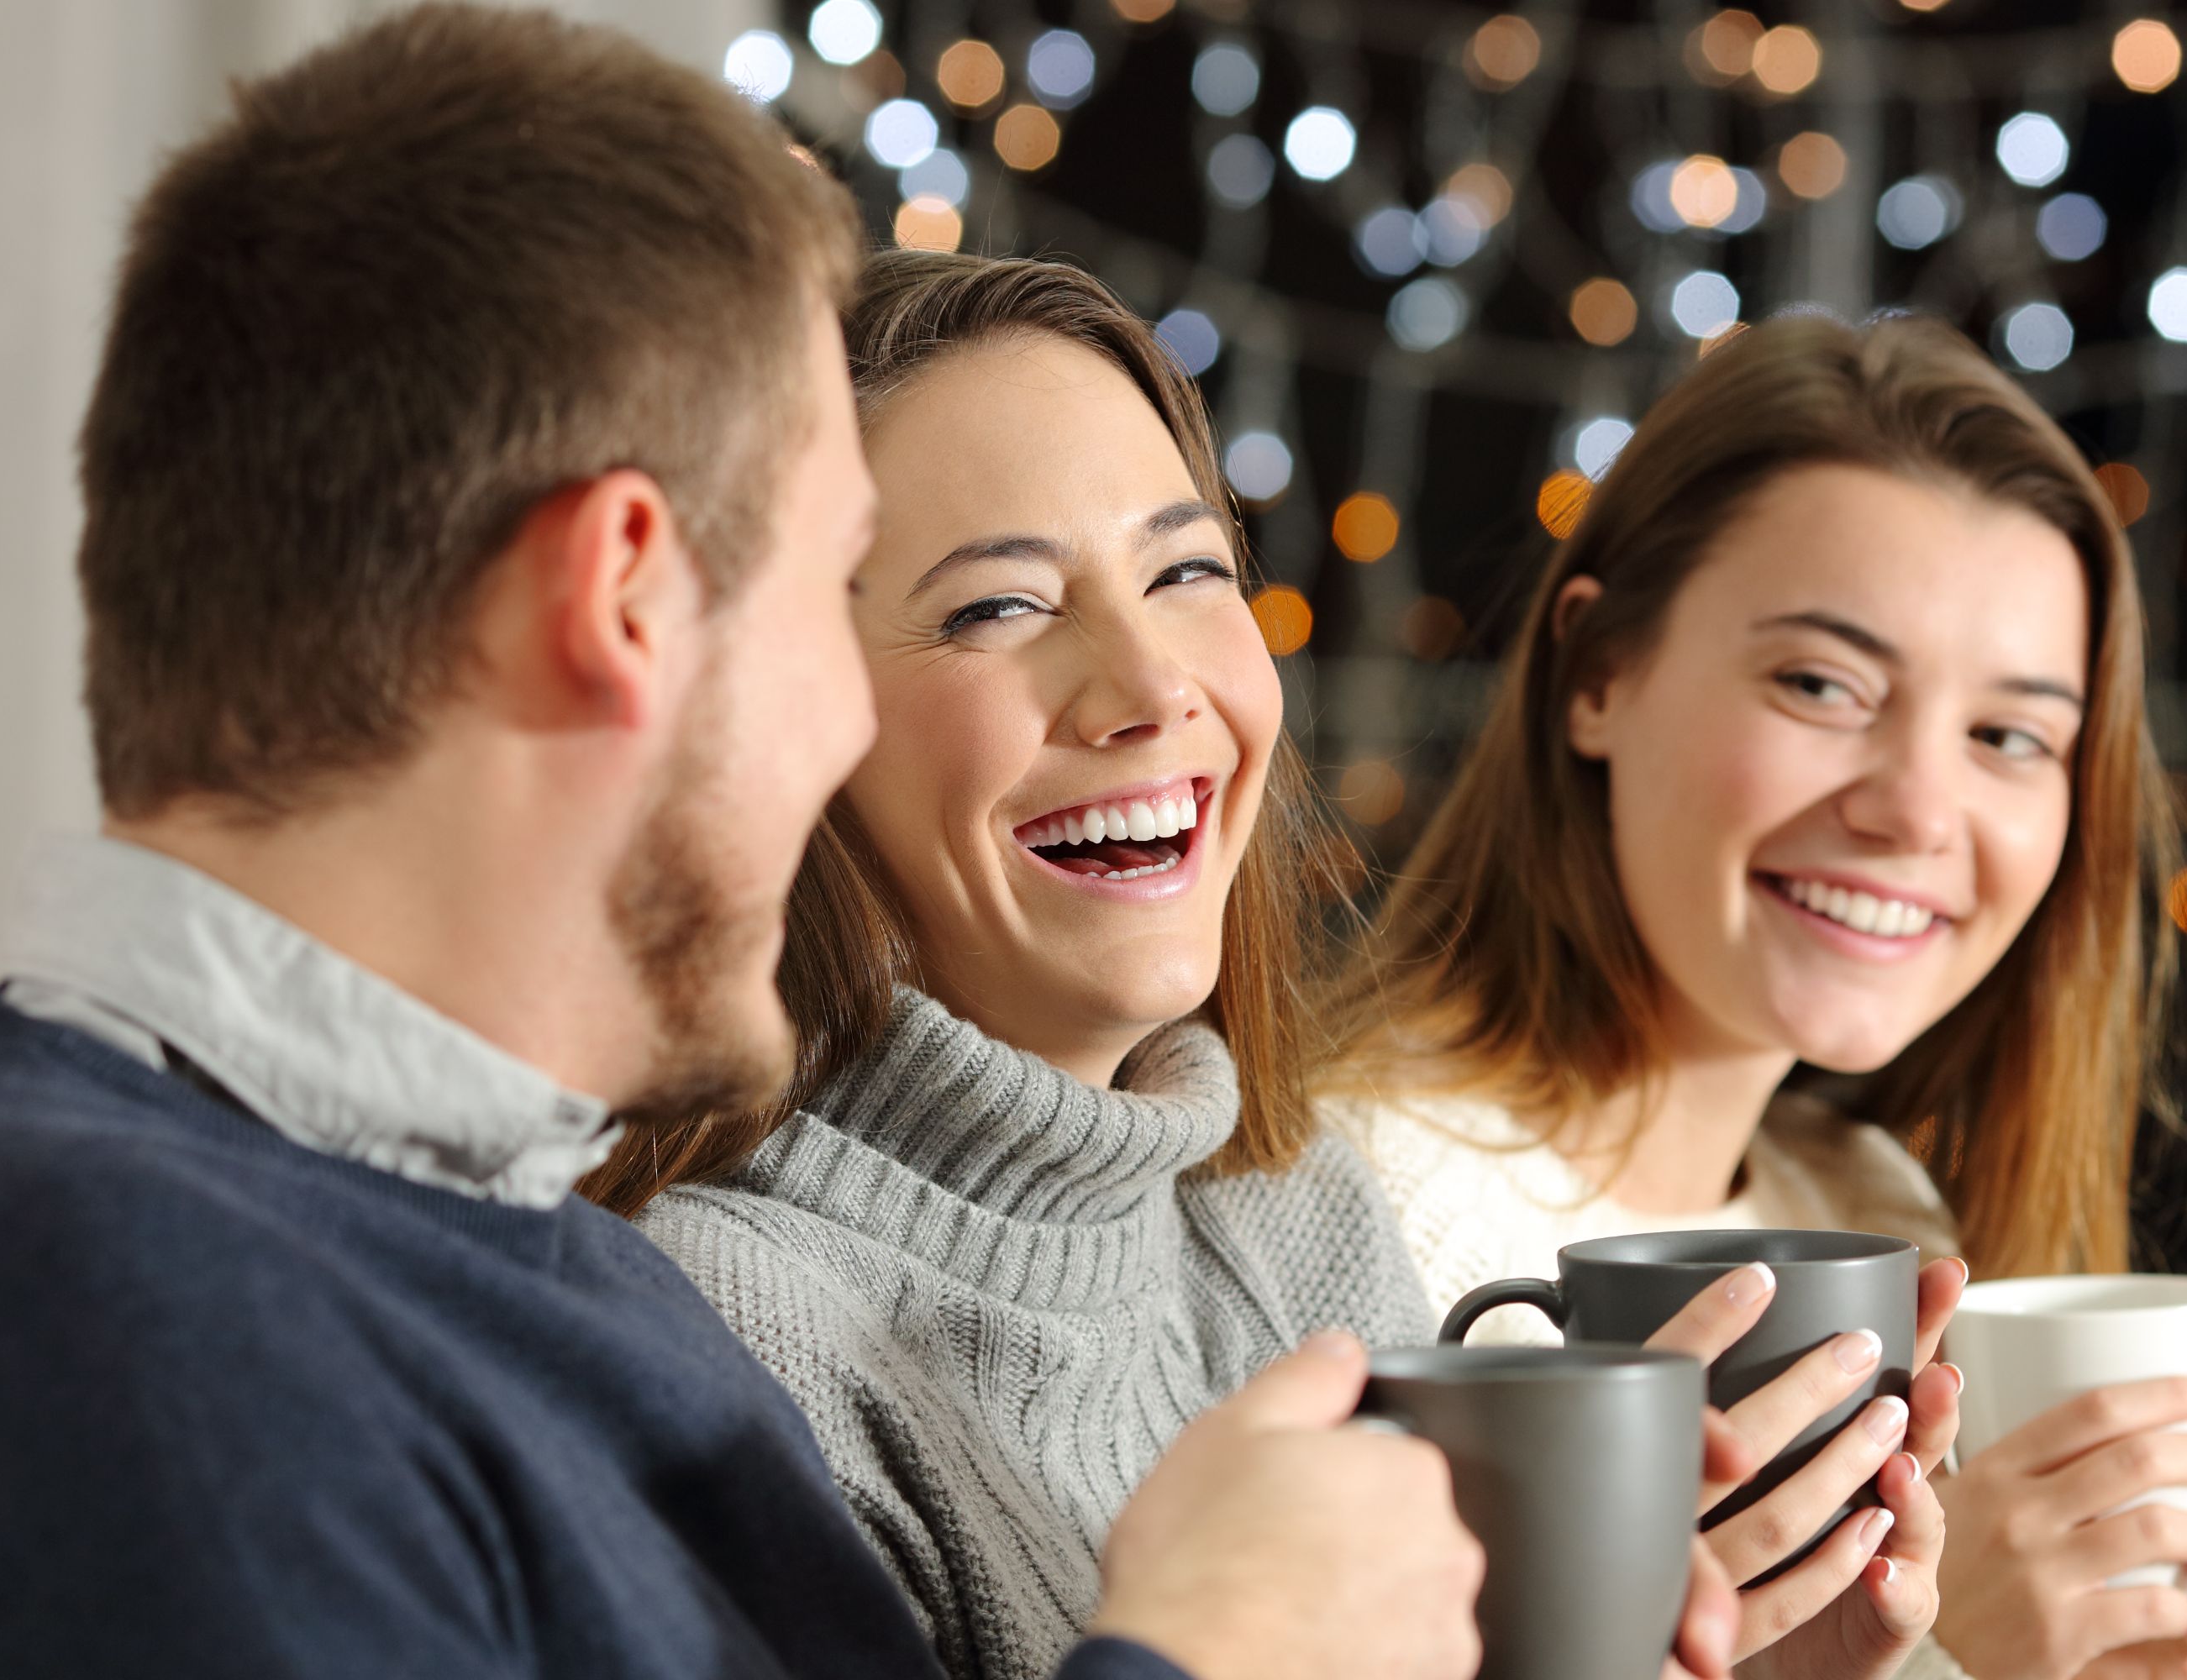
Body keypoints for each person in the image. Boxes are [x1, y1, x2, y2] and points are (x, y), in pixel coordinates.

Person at [0, 11, 1496, 1678]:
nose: (838, 730)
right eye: (816, 588)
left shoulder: (536, 1281)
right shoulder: (91, 1330)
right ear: (620, 598)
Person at [607, 249, 1957, 1680]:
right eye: (996, 606)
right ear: (785, 722)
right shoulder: (719, 1333)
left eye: (1188, 572)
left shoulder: (1291, 1215)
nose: (1154, 688)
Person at [1327, 312, 2187, 1680]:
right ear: (1599, 673)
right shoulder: (1336, 1219)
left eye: (2009, 736)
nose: (1917, 811)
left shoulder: (1868, 1210)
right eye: (1821, 684)